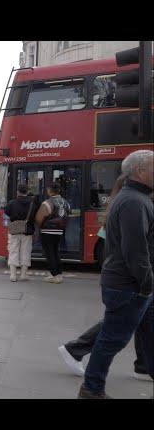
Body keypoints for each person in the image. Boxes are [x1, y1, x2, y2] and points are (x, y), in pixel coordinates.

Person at [78, 150, 154, 399]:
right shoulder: (134, 201)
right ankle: (91, 388)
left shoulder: (135, 198)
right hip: (129, 285)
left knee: (146, 334)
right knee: (112, 339)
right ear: (140, 171)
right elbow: (136, 250)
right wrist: (146, 283)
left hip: (131, 283)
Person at [34, 183, 70, 284]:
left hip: (47, 231)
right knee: (56, 252)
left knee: (49, 253)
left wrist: (40, 226)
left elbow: (39, 218)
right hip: (60, 231)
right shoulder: (66, 203)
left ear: (50, 190)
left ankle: (54, 275)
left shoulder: (47, 203)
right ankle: (58, 273)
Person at [4, 184, 36, 282]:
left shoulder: (11, 203)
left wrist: (8, 225)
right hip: (27, 231)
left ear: (17, 192)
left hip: (14, 231)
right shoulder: (32, 203)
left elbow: (5, 217)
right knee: (25, 251)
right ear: (27, 192)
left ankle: (13, 275)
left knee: (13, 251)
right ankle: (23, 274)